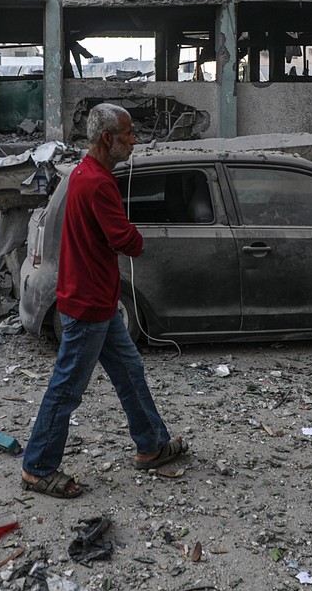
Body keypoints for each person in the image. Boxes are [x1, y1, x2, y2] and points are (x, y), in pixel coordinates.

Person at [19, 103, 188, 498]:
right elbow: (124, 239)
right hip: (89, 305)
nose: (134, 141)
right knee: (67, 388)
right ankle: (37, 467)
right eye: (128, 134)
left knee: (129, 370)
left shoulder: (84, 173)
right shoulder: (98, 183)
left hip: (96, 300)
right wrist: (139, 236)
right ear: (108, 139)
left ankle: (151, 445)